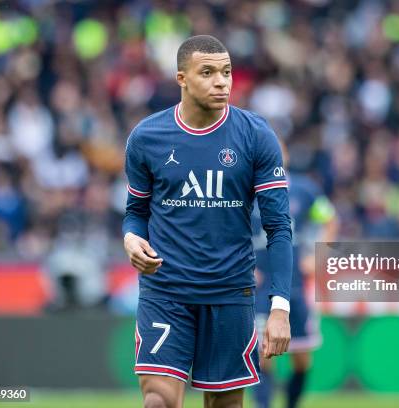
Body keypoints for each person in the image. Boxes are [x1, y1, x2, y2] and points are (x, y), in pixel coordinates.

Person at [122, 35, 293, 408]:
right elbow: (135, 214)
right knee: (158, 402)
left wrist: (280, 307)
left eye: (227, 72)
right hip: (166, 292)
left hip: (230, 293)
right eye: (208, 72)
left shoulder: (256, 135)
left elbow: (279, 227)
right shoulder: (147, 137)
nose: (222, 82)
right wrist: (131, 240)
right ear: (181, 78)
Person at [252, 142, 338, 408]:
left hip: (295, 284)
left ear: (286, 156)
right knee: (262, 353)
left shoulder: (304, 190)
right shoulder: (246, 192)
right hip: (260, 285)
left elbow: (330, 220)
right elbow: (228, 230)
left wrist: (317, 255)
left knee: (302, 358)